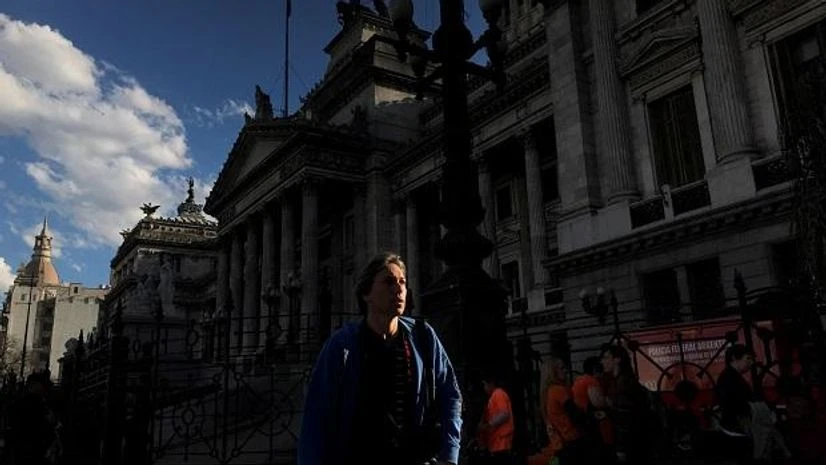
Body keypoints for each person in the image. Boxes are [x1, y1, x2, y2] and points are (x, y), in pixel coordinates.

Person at [298, 252, 462, 465]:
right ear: (366, 293)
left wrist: (450, 455)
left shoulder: (423, 336)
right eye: (389, 282)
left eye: (402, 281)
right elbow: (316, 418)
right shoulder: (341, 346)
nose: (399, 289)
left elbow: (450, 394)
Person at [601, 345, 650, 465]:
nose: (602, 361)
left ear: (617, 359)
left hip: (632, 443)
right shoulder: (622, 381)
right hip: (638, 440)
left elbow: (624, 419)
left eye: (606, 357)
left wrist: (621, 448)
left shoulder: (622, 384)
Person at [539, 357, 589, 463]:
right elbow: (575, 414)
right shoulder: (559, 391)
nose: (565, 370)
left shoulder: (546, 393)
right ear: (553, 372)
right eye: (562, 368)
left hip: (559, 444)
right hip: (572, 441)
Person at [572, 356, 614, 456]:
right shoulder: (591, 381)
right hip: (594, 427)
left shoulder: (579, 380)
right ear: (596, 370)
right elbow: (599, 402)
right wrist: (610, 401)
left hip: (583, 426)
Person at [477, 375, 515, 465]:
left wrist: (489, 425)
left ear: (491, 383)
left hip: (502, 443)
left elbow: (504, 414)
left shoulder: (498, 394)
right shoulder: (493, 397)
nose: (484, 388)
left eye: (485, 384)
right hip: (497, 444)